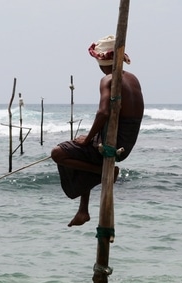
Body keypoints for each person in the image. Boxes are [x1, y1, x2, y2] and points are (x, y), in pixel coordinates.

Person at [51, 35, 144, 227]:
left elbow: (103, 113)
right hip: (126, 142)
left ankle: (101, 172)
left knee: (58, 153)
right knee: (84, 154)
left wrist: (87, 140)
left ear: (101, 61)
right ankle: (83, 210)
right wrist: (90, 138)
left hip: (114, 142)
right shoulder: (133, 79)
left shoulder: (108, 79)